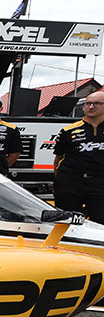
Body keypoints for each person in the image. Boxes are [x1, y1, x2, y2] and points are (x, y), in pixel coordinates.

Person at [53, 89, 104, 223]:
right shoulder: (68, 131)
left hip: (100, 182)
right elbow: (58, 158)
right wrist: (58, 182)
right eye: (88, 104)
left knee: (100, 221)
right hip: (71, 182)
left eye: (97, 103)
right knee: (66, 221)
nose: (91, 107)